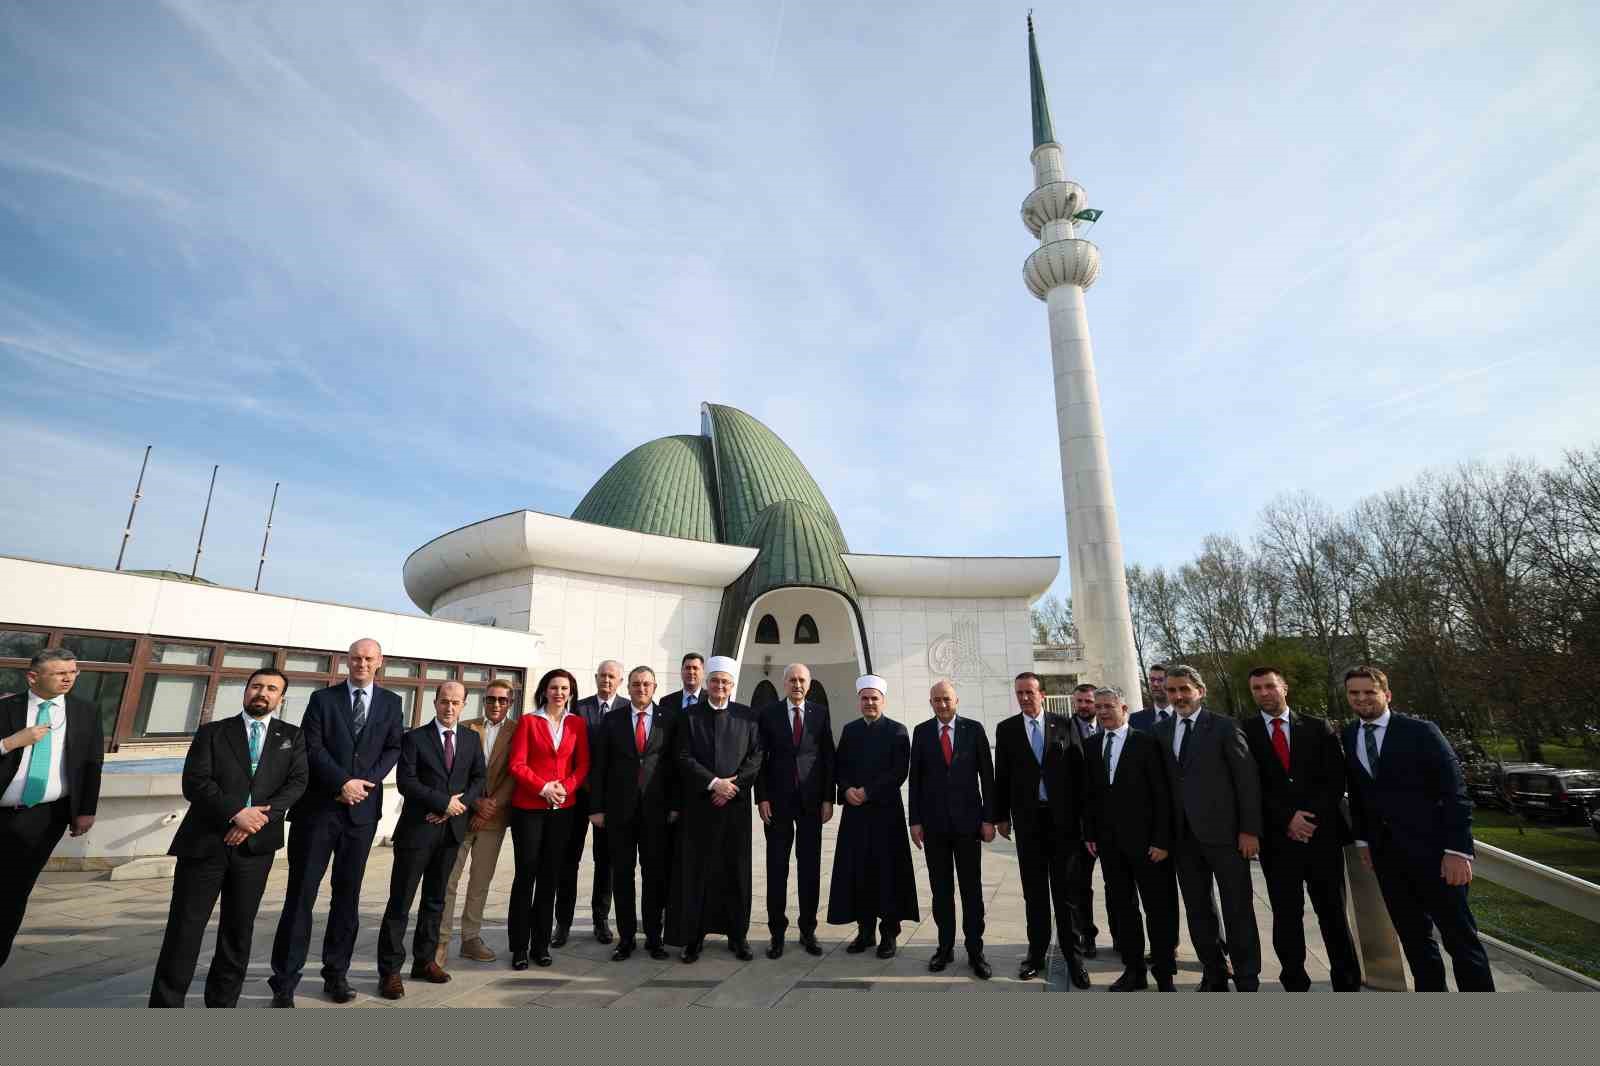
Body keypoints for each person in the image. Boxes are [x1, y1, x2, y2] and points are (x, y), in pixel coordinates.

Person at [148, 669, 307, 1007]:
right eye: (256, 686)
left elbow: (296, 784)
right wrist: (236, 813)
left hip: (255, 849)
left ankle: (222, 1005)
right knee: (184, 929)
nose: (262, 693)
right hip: (205, 844)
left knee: (238, 931)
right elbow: (196, 782)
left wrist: (255, 819)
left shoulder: (292, 736)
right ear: (246, 691)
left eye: (271, 689)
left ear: (281, 698)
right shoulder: (213, 733)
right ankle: (165, 1004)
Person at [268, 637, 403, 1006]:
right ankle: (284, 981)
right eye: (356, 658)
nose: (362, 663)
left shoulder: (392, 702)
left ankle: (336, 974)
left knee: (347, 897)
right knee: (301, 897)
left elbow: (393, 747)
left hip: (361, 815)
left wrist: (365, 783)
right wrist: (342, 782)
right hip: (320, 811)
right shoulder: (322, 700)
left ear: (380, 662)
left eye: (368, 658)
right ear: (347, 661)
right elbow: (312, 747)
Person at [1343, 664, 1493, 991]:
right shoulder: (1350, 734)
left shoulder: (1422, 732)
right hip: (1387, 858)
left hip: (1436, 857)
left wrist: (1457, 851)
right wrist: (1364, 842)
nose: (1362, 698)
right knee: (1415, 941)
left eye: (1370, 692)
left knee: (1461, 942)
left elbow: (1455, 794)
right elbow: (1359, 794)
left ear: (1387, 694)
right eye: (1354, 693)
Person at [1241, 666, 1361, 992]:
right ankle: (1294, 981)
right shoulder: (1245, 731)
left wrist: (1307, 819)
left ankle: (1347, 981)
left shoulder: (1317, 727)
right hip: (1279, 843)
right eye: (1256, 689)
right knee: (1286, 916)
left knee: (1332, 913)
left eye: (1269, 686)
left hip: (1322, 838)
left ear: (1284, 688)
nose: (1263, 693)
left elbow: (1335, 780)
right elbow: (1250, 786)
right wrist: (1286, 819)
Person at [1153, 664, 1262, 991]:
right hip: (1184, 838)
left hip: (1227, 836)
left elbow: (1246, 781)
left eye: (1184, 689)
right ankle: (1214, 970)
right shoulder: (1160, 732)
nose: (1178, 696)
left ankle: (1246, 977)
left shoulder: (1225, 727)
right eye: (1172, 690)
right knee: (1199, 910)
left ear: (1200, 691)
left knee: (1237, 909)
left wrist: (1249, 830)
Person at [376, 682, 486, 999]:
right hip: (417, 830)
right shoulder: (414, 738)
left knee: (436, 900)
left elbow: (479, 778)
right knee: (401, 902)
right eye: (443, 702)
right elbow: (406, 782)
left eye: (455, 702)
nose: (449, 708)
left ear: (464, 704)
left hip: (451, 832)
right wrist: (442, 803)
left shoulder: (469, 738)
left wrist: (457, 806)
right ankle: (390, 971)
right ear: (434, 703)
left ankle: (424, 961)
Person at [0, 648, 103, 970]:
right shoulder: (6, 709)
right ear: (33, 676)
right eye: (60, 673)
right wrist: (11, 742)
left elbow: (92, 763)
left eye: (73, 672)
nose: (68, 678)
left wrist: (86, 809)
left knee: (13, 894)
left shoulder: (85, 711)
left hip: (45, 817)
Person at [993, 672, 1089, 985]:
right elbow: (1002, 777)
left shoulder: (1064, 725)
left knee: (1066, 894)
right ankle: (1035, 955)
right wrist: (1001, 816)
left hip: (1063, 824)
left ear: (1042, 694)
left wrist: (1084, 822)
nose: (1024, 698)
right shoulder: (1007, 730)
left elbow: (1079, 773)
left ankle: (1074, 958)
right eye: (1019, 692)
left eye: (1029, 692)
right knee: (1034, 893)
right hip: (1029, 823)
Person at [1083, 686, 1179, 991]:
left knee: (1158, 910)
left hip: (1149, 846)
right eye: (1098, 707)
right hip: (1111, 847)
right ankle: (1134, 970)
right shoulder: (1092, 744)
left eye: (1109, 706)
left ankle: (1164, 975)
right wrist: (1090, 833)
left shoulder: (1148, 743)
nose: (1103, 712)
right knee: (1124, 911)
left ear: (1124, 709)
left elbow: (1163, 795)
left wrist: (1162, 840)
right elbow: (1090, 795)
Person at [668, 656, 763, 962]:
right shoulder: (689, 716)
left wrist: (732, 786)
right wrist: (713, 783)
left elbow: (757, 756)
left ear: (732, 685)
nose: (719, 686)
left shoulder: (746, 717)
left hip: (734, 808)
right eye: (714, 681)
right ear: (707, 684)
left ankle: (738, 936)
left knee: (735, 871)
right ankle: (693, 937)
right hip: (700, 807)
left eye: (725, 682)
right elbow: (682, 756)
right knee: (697, 872)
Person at [589, 666, 679, 960]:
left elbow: (676, 767)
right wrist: (597, 808)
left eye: (647, 684)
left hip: (656, 813)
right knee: (622, 877)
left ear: (655, 688)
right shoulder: (612, 720)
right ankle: (626, 938)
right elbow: (599, 765)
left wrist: (676, 806)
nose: (641, 689)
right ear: (628, 687)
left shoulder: (669, 719)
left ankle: (654, 938)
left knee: (655, 876)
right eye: (636, 684)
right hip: (619, 813)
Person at [826, 675, 918, 959]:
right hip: (855, 816)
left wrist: (867, 791)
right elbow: (838, 766)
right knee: (858, 871)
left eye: (874, 698)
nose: (869, 703)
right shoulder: (850, 730)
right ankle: (865, 932)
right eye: (864, 698)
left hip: (885, 815)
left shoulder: (897, 731)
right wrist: (846, 789)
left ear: (883, 701)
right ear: (859, 701)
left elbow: (898, 772)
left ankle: (889, 933)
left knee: (887, 873)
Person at [908, 681, 995, 979]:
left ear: (956, 699)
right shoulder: (921, 732)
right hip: (934, 827)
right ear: (930, 702)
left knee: (971, 890)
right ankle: (944, 948)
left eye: (946, 699)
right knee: (941, 891)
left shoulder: (974, 730)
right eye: (936, 700)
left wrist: (989, 819)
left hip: (969, 825)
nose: (942, 705)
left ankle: (975, 950)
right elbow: (915, 780)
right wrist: (915, 821)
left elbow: (988, 776)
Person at [506, 668, 589, 969]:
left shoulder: (577, 724)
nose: (559, 692)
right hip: (529, 809)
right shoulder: (529, 721)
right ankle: (519, 947)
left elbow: (582, 767)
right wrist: (542, 787)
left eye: (564, 688)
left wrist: (564, 789)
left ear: (571, 692)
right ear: (544, 690)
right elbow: (517, 764)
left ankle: (541, 946)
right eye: (554, 687)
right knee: (526, 876)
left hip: (562, 812)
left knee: (549, 878)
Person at [754, 663, 835, 958]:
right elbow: (760, 758)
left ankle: (807, 930)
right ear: (784, 683)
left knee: (809, 868)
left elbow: (828, 757)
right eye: (792, 680)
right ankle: (777, 932)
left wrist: (829, 798)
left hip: (811, 803)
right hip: (777, 803)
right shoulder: (769, 714)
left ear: (809, 684)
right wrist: (761, 797)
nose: (797, 684)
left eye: (802, 680)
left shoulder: (820, 714)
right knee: (777, 868)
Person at [436, 678, 518, 965]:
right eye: (491, 699)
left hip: (494, 818)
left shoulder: (517, 731)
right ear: (483, 701)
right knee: (448, 880)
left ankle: (470, 938)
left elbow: (514, 773)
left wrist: (490, 807)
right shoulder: (467, 726)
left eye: (502, 700)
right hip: (460, 814)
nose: (496, 704)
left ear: (510, 703)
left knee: (480, 882)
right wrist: (474, 804)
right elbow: (453, 770)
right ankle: (441, 940)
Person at [557, 660, 624, 948]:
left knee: (605, 862)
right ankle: (562, 923)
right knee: (567, 860)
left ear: (619, 681)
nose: (606, 680)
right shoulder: (578, 708)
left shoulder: (626, 708)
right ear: (595, 678)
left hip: (609, 799)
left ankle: (600, 920)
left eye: (612, 677)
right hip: (577, 794)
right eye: (602, 676)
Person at [1064, 681, 1107, 957]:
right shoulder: (1062, 730)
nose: (1083, 706)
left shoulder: (1112, 727)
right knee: (1080, 884)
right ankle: (1084, 935)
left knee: (1119, 885)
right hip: (1079, 822)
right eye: (1078, 701)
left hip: (1111, 820)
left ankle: (1125, 937)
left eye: (1088, 701)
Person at [1128, 662, 1172, 732]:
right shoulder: (1135, 719)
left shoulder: (1183, 716)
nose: (1155, 684)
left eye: (1160, 680)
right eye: (1152, 680)